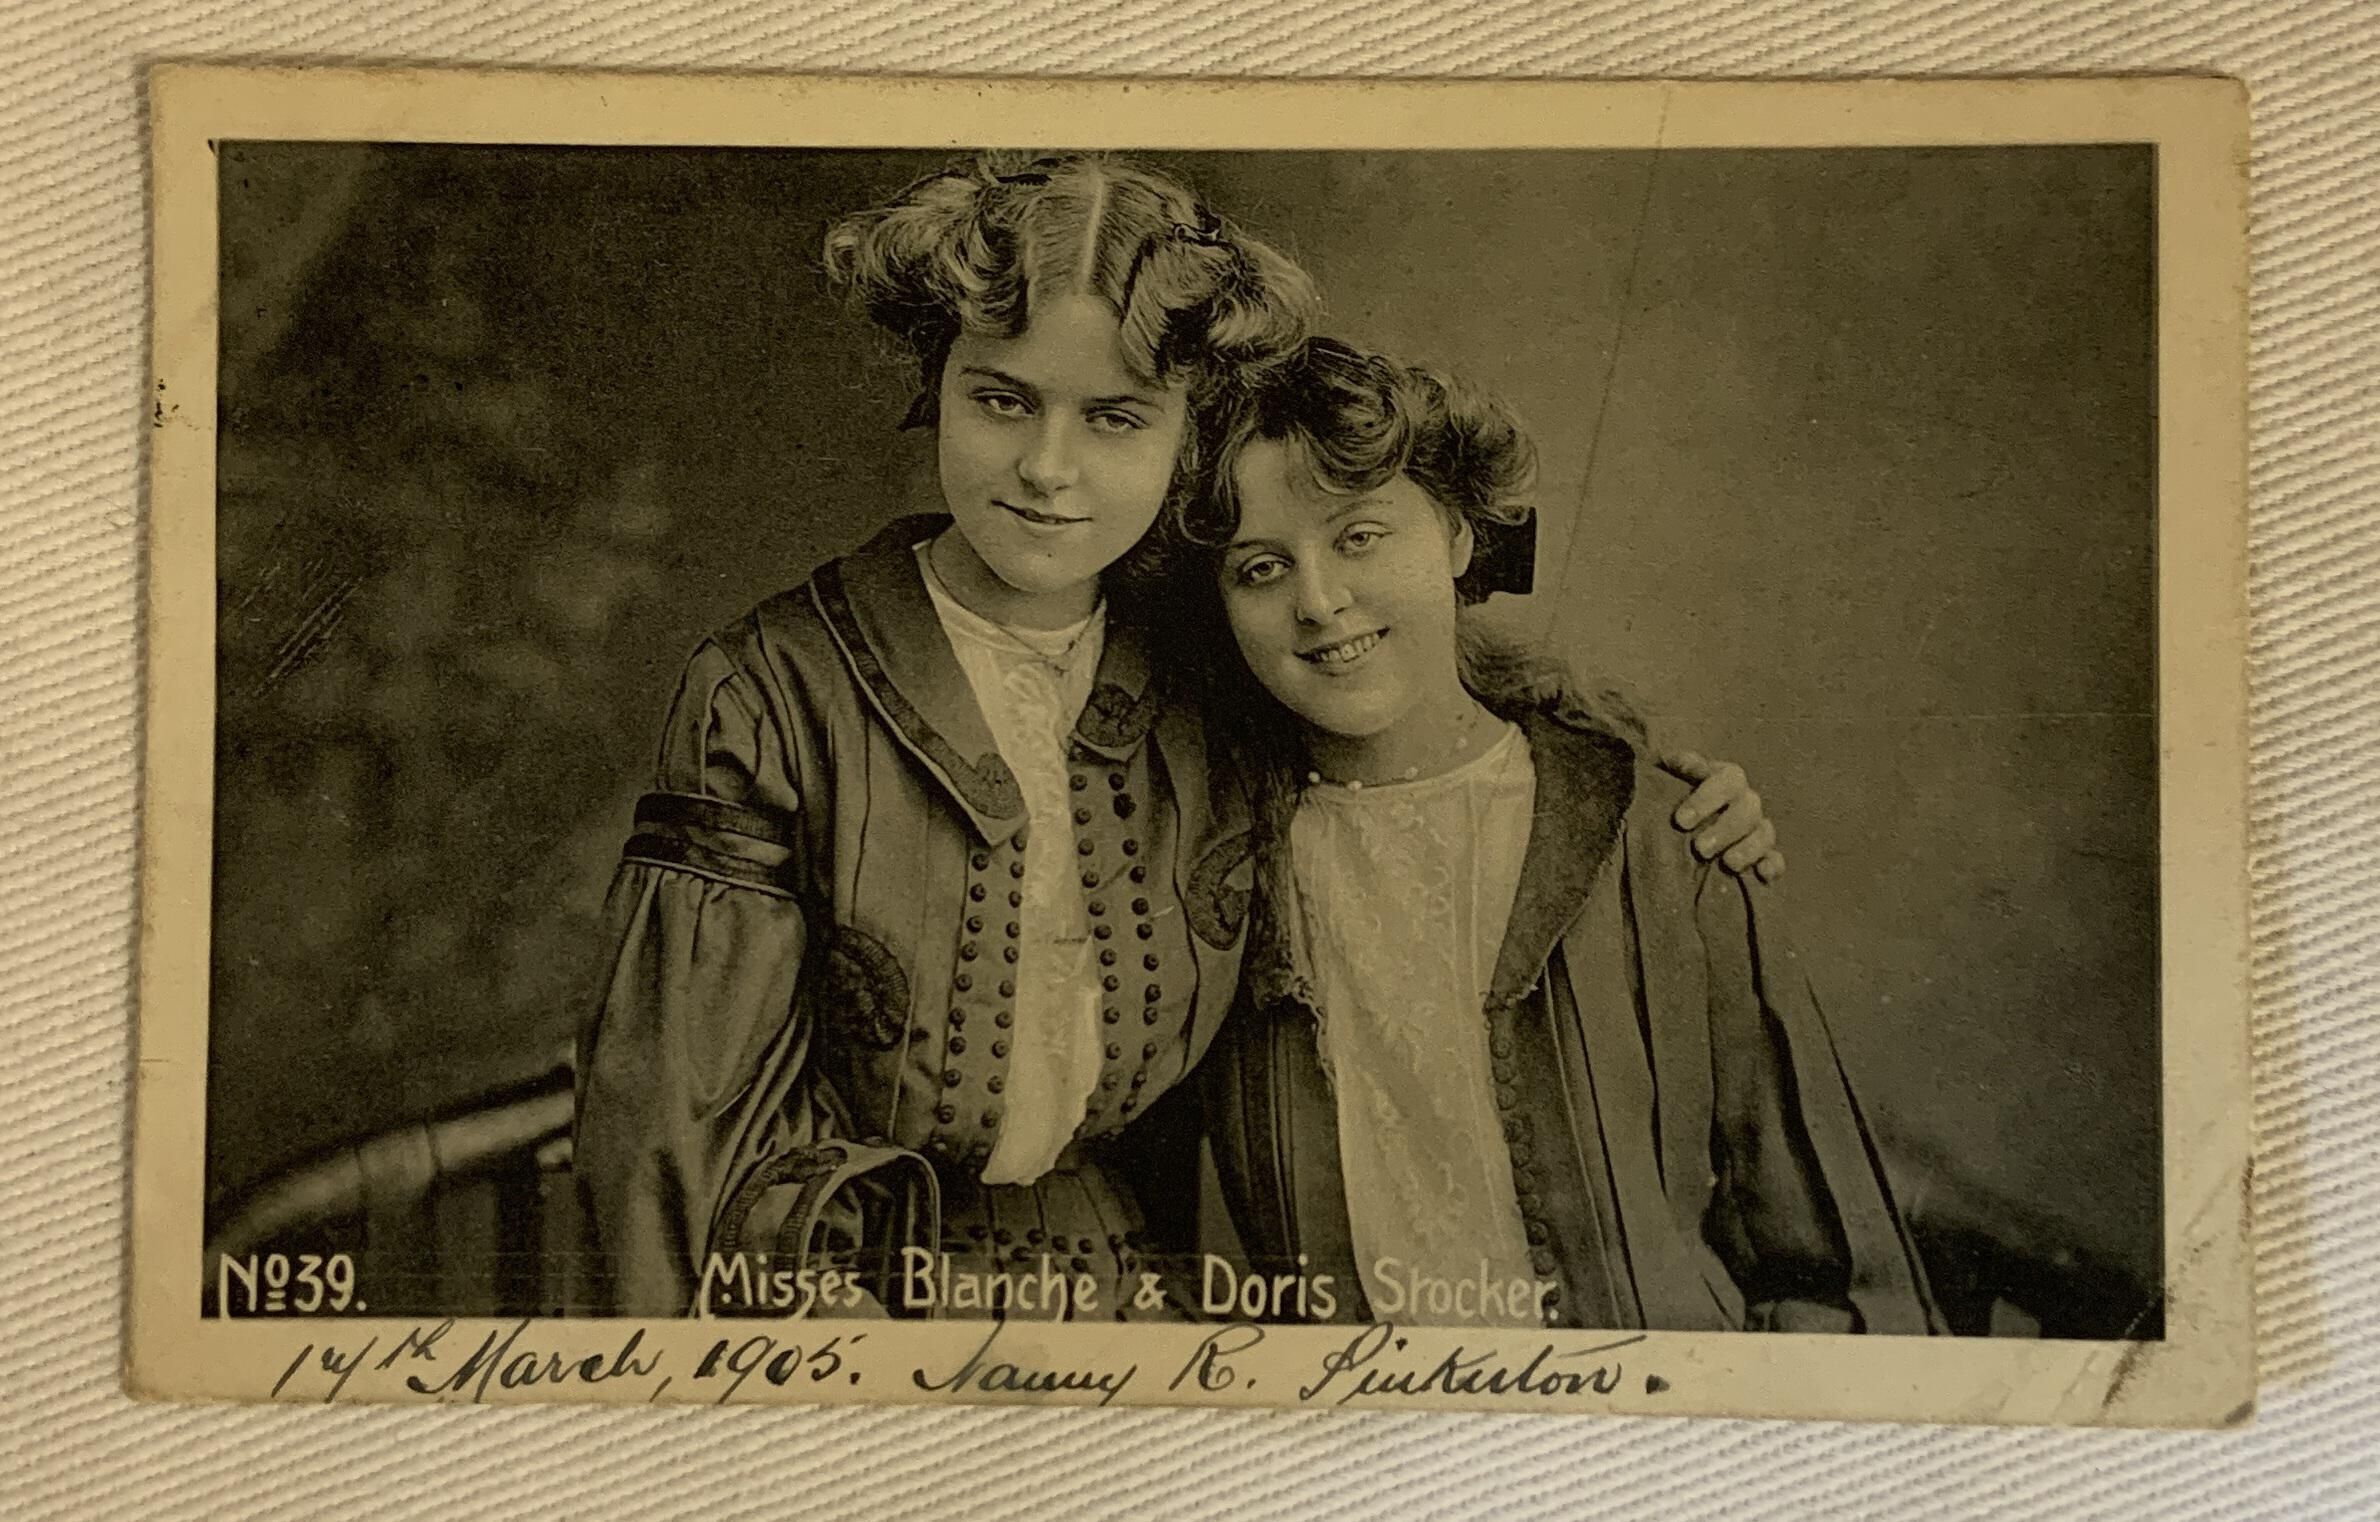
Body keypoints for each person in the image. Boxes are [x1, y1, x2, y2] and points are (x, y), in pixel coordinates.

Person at [571, 155, 1784, 1319]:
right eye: (1000, 400)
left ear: (1182, 434)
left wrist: (1648, 776)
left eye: (1114, 417)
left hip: (1134, 1305)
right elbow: (674, 1146)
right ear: (936, 383)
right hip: (835, 1300)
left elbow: (1417, 711)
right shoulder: (771, 692)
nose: (1048, 470)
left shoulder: (1205, 671)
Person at [1185, 337, 1941, 1334]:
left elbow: (1830, 1269)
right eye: (1261, 567)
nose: (1319, 601)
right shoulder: (1211, 871)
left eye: (1360, 536)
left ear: (1458, 536)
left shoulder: (1660, 840)